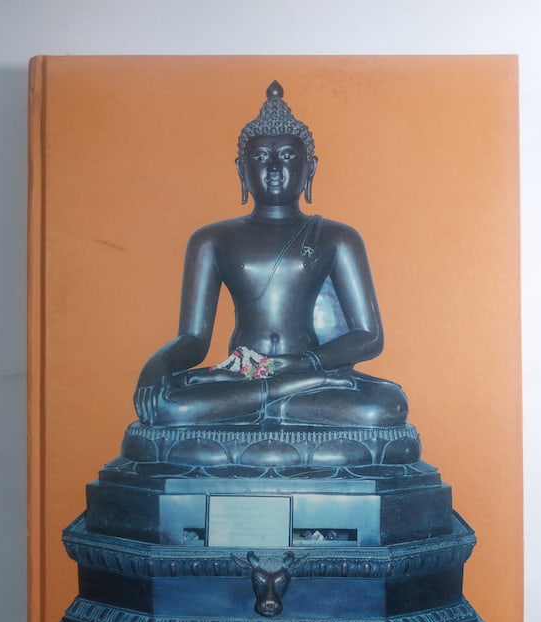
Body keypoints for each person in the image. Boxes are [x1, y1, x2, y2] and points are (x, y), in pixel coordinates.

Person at [134, 82, 411, 444]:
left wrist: (306, 365)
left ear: (310, 168)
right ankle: (275, 398)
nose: (276, 168)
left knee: (386, 407)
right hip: (241, 377)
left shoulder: (338, 237)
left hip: (309, 377)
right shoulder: (211, 240)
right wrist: (155, 367)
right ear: (241, 169)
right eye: (262, 157)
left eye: (288, 156)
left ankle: (268, 401)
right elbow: (193, 338)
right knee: (167, 407)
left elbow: (369, 336)